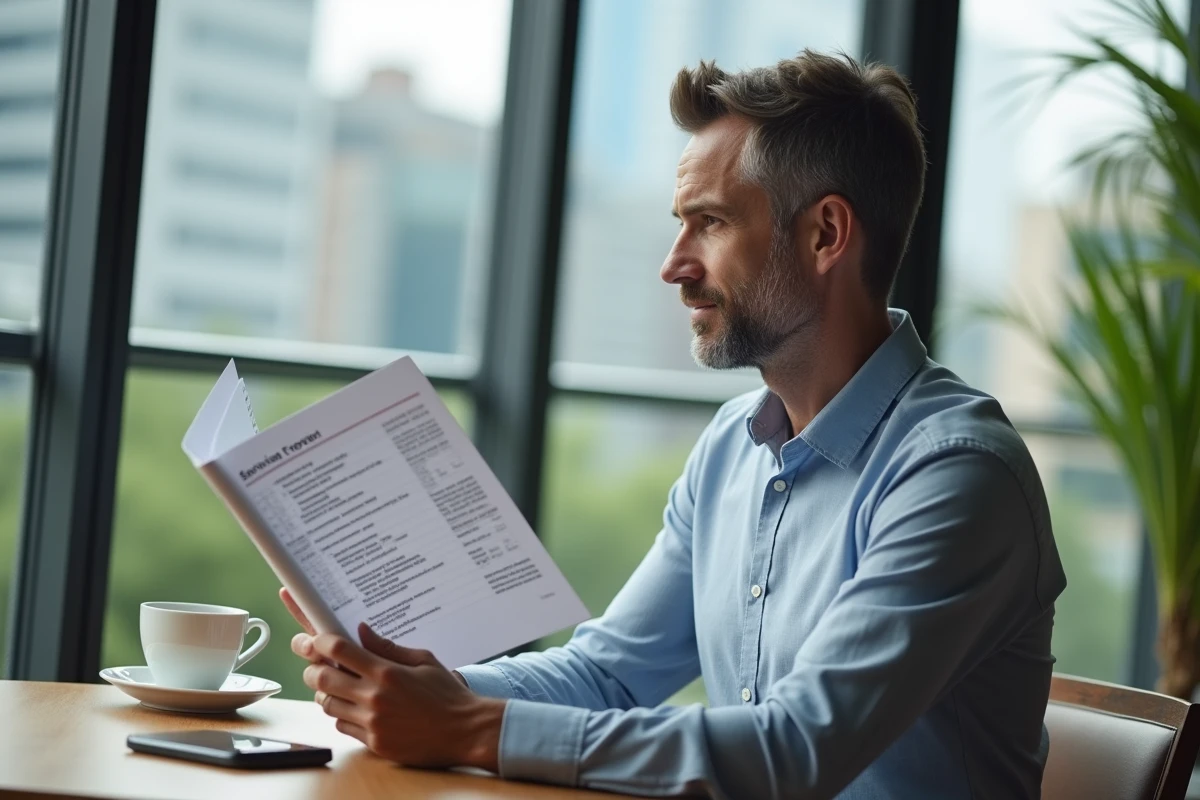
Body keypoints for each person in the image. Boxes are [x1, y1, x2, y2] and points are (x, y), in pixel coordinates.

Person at [282, 49, 1066, 799]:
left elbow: (794, 750)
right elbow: (609, 677)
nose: (674, 262)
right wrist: (422, 688)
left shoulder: (958, 474)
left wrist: (468, 727)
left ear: (826, 234)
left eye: (712, 223)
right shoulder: (733, 448)